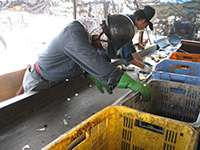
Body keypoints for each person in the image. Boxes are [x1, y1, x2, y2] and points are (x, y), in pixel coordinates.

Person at [22, 14, 151, 101]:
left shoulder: (89, 36)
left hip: (56, 82)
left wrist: (90, 74)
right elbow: (90, 58)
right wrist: (130, 82)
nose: (101, 48)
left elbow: (79, 62)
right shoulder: (74, 34)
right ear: (101, 34)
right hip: (39, 82)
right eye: (103, 45)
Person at [119, 6, 156, 73]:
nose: (145, 27)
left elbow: (131, 49)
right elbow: (126, 56)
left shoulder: (129, 21)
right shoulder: (127, 25)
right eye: (146, 25)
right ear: (142, 20)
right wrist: (144, 67)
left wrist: (142, 61)